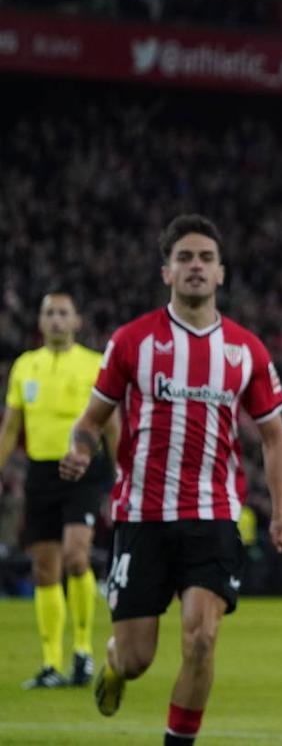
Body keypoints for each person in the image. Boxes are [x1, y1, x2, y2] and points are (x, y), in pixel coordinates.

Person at [60, 214, 282, 746]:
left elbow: (276, 437)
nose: (195, 267)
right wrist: (79, 451)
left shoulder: (245, 350)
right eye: (185, 258)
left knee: (202, 637)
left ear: (221, 274)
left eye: (205, 259)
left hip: (212, 514)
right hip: (141, 515)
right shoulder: (131, 341)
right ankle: (115, 666)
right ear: (166, 271)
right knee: (138, 656)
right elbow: (90, 422)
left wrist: (281, 513)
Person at [1, 293, 119, 688]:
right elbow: (11, 429)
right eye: (49, 312)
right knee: (44, 569)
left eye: (63, 313)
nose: (55, 319)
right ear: (39, 320)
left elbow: (111, 423)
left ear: (77, 321)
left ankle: (83, 651)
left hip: (83, 468)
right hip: (40, 473)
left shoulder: (92, 363)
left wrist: (121, 472)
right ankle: (52, 663)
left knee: (75, 556)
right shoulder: (25, 367)